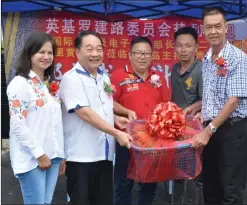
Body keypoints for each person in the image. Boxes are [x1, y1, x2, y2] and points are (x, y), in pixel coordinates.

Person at [59, 30, 132, 205]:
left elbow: (101, 106)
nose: (95, 54)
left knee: (103, 200)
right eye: (89, 49)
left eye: (99, 49)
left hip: (104, 154)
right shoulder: (71, 79)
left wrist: (115, 117)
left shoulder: (104, 78)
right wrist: (117, 132)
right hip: (81, 156)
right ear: (77, 52)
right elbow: (85, 113)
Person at [192, 7, 247, 205]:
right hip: (212, 129)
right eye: (208, 27)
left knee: (231, 190)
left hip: (232, 131)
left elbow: (233, 99)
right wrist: (201, 110)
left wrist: (208, 131)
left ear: (226, 27)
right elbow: (213, 93)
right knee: (210, 186)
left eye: (218, 26)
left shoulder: (238, 57)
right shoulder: (207, 59)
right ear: (202, 29)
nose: (213, 31)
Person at [111, 36, 170, 205]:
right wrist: (125, 111)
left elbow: (166, 104)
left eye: (147, 53)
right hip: (126, 140)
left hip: (152, 141)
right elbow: (108, 102)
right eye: (138, 53)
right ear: (130, 55)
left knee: (149, 186)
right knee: (123, 185)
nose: (143, 57)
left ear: (152, 56)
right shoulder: (118, 76)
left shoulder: (158, 77)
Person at [7, 32, 65, 204]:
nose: (46, 57)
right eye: (41, 52)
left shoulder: (50, 84)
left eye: (50, 52)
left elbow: (55, 122)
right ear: (30, 53)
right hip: (33, 158)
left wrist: (60, 155)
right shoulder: (20, 84)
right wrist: (39, 154)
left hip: (53, 156)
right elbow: (18, 126)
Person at [170, 26, 203, 203]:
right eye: (179, 46)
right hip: (176, 130)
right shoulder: (174, 70)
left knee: (195, 174)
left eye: (188, 46)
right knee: (177, 173)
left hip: (196, 130)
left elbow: (208, 100)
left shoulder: (202, 70)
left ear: (196, 48)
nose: (183, 50)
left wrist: (193, 107)